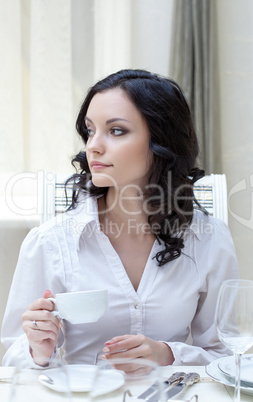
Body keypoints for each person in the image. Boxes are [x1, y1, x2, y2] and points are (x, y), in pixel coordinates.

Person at [1, 69, 239, 368]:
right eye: (90, 130)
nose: (93, 146)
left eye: (116, 130)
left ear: (161, 142)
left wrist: (167, 354)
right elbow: (13, 360)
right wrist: (38, 351)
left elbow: (227, 357)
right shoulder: (49, 242)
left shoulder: (208, 240)